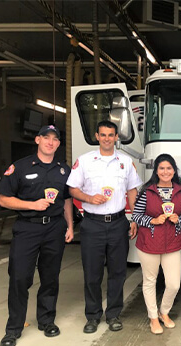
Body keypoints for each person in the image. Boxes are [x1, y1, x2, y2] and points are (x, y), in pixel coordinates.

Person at [0, 125, 73, 346]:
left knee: (50, 277)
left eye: (55, 139)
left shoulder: (63, 170)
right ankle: (13, 328)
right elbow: (3, 199)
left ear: (59, 144)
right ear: (38, 140)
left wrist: (69, 225)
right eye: (46, 138)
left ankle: (46, 320)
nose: (51, 142)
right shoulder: (20, 167)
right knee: (20, 278)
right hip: (27, 228)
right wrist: (31, 204)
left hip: (54, 229)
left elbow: (67, 200)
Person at [66, 120, 142, 334]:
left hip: (119, 223)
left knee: (118, 272)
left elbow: (132, 191)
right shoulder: (85, 161)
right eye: (103, 135)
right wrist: (89, 198)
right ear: (97, 137)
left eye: (111, 135)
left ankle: (113, 314)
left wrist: (134, 218)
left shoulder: (126, 162)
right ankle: (92, 316)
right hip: (93, 224)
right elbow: (72, 189)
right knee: (92, 272)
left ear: (117, 137)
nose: (107, 138)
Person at [132, 154, 181, 334]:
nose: (165, 172)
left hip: (172, 242)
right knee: (150, 281)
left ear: (174, 171)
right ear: (156, 171)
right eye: (162, 168)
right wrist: (153, 221)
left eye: (169, 168)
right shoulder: (147, 191)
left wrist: (178, 220)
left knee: (174, 284)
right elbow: (136, 215)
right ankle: (153, 317)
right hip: (149, 242)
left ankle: (164, 312)